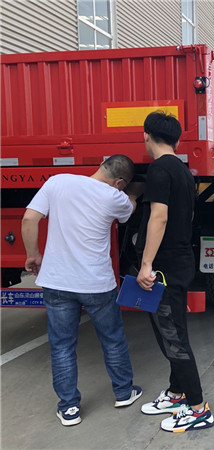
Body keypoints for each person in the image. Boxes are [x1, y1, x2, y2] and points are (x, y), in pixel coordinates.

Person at [21, 155, 143, 427]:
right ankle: (124, 393)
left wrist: (33, 254)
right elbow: (129, 210)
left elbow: (30, 218)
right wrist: (134, 194)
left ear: (101, 167)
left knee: (62, 346)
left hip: (57, 282)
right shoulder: (115, 197)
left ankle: (69, 408)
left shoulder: (58, 182)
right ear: (119, 182)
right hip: (97, 284)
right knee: (112, 339)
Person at [136, 112, 214, 433]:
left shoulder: (159, 169)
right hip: (179, 259)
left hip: (165, 266)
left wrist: (146, 264)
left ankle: (197, 408)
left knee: (173, 337)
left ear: (146, 135)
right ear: (178, 140)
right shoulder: (183, 170)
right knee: (171, 331)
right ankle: (176, 393)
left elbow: (160, 217)